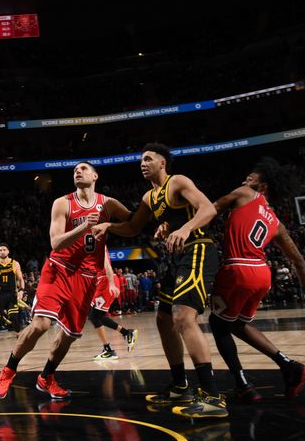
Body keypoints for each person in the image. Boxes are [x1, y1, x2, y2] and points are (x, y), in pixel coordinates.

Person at [92, 143, 225, 418]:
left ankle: (213, 396)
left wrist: (186, 228)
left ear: (162, 163)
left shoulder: (178, 181)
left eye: (148, 159)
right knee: (163, 319)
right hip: (176, 259)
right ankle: (179, 385)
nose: (143, 163)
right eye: (140, 160)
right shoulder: (149, 197)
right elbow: (132, 227)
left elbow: (208, 209)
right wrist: (109, 226)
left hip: (198, 249)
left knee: (182, 318)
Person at [0, 162, 123, 400]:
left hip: (86, 278)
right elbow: (55, 243)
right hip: (59, 269)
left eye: (83, 168)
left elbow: (134, 221)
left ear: (95, 175)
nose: (77, 171)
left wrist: (110, 224)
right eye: (75, 170)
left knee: (69, 335)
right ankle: (9, 369)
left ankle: (47, 377)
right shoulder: (62, 203)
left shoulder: (108, 203)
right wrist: (85, 226)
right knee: (40, 324)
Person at [205, 158, 305, 401]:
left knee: (218, 325)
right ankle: (290, 366)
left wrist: (184, 227)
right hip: (261, 274)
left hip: (238, 268)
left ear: (264, 185)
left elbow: (211, 208)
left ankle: (243, 385)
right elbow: (298, 260)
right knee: (236, 324)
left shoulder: (244, 192)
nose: (247, 179)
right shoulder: (275, 221)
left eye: (252, 176)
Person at [89, 271, 138, 360]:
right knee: (98, 316)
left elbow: (106, 262)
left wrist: (111, 283)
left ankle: (108, 350)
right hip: (105, 280)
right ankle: (127, 333)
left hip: (106, 280)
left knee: (94, 316)